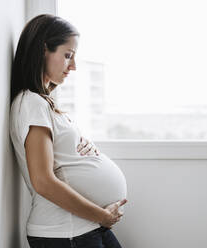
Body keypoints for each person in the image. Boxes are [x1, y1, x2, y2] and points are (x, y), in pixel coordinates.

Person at [9, 14, 128, 248]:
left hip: (83, 227)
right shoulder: (32, 104)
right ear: (44, 50)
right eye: (67, 55)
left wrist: (87, 150)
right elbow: (43, 181)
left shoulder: (43, 103)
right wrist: (101, 215)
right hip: (66, 232)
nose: (72, 66)